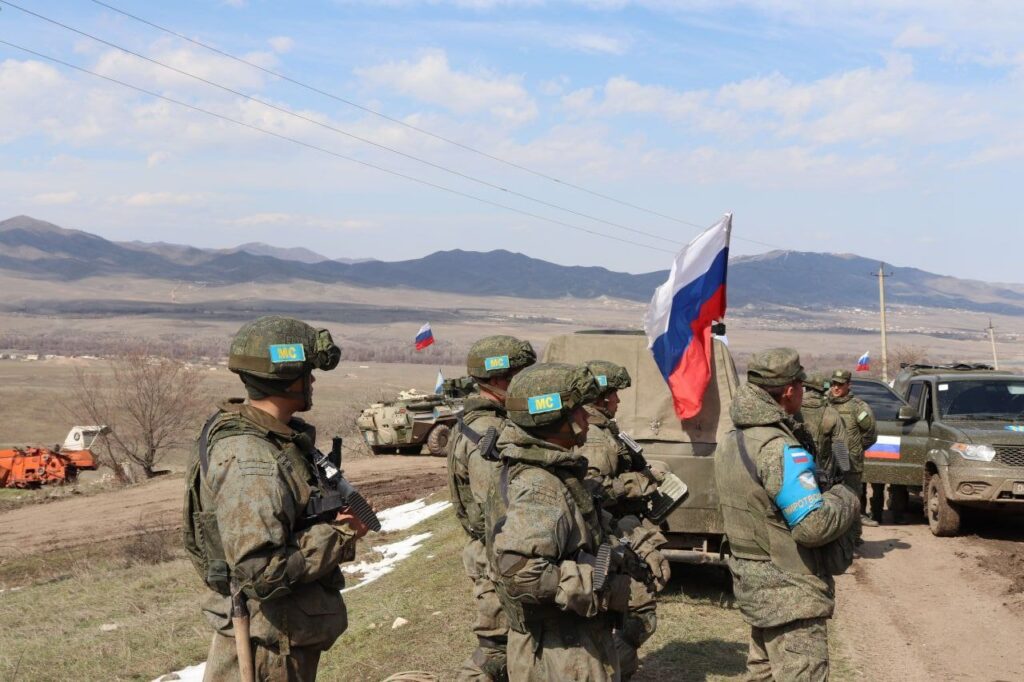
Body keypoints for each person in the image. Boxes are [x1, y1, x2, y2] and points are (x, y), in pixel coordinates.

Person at [183, 316, 369, 681]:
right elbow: (261, 571)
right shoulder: (253, 458)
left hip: (274, 636)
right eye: (308, 372)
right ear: (288, 378)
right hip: (267, 648)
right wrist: (343, 534)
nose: (313, 380)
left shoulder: (264, 436)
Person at [486, 363, 669, 682]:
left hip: (572, 643)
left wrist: (636, 547)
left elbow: (587, 523)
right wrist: (610, 589)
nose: (588, 418)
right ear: (555, 420)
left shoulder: (555, 472)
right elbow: (520, 572)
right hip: (560, 654)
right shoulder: (539, 487)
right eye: (579, 411)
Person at [716, 349, 859, 681]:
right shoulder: (779, 449)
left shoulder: (731, 439)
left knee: (762, 672)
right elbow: (813, 526)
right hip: (790, 591)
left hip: (755, 583)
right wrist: (846, 498)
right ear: (791, 390)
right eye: (801, 385)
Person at [447, 335, 537, 681]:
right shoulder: (488, 431)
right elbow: (497, 508)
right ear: (499, 380)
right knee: (496, 649)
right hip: (496, 556)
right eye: (519, 375)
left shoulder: (487, 422)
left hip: (494, 554)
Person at [578, 360, 665, 680]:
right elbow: (592, 491)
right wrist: (639, 482)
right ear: (601, 398)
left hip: (614, 535)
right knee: (640, 615)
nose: (618, 401)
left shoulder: (604, 431)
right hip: (609, 537)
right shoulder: (597, 438)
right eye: (614, 395)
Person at [830, 369, 879, 537]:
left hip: (850, 462)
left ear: (848, 385)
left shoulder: (858, 407)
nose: (836, 388)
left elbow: (871, 434)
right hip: (829, 462)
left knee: (852, 499)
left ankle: (854, 536)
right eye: (833, 384)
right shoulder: (825, 405)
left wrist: (856, 449)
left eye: (840, 385)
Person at [797, 372, 849, 483]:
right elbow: (841, 448)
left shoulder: (792, 410)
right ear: (824, 390)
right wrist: (842, 472)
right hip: (822, 476)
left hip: (794, 472)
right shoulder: (831, 413)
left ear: (805, 388)